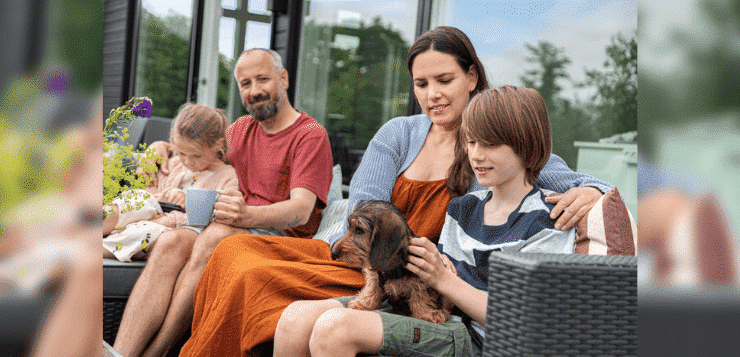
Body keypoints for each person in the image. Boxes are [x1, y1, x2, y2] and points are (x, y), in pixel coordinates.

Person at [180, 26, 612, 356]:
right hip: (364, 257)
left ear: (472, 77)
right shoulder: (399, 133)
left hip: (418, 276)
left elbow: (556, 174)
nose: (433, 95)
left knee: (248, 270)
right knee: (232, 252)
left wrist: (593, 191)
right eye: (421, 85)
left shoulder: (493, 146)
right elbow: (366, 207)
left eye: (444, 80)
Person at [274, 85, 576, 357]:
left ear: (526, 146)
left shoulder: (547, 221)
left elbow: (528, 323)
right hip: (438, 320)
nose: (477, 155)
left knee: (335, 328)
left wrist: (444, 280)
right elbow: (438, 279)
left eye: (491, 144)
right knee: (294, 318)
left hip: (479, 340)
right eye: (470, 143)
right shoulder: (463, 208)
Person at [112, 48, 333, 357]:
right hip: (229, 224)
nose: (254, 91)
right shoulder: (240, 129)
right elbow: (199, 153)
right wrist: (162, 147)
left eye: (262, 79)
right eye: (245, 83)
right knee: (171, 242)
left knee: (214, 236)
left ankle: (157, 353)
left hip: (280, 238)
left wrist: (247, 215)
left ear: (282, 78)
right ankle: (120, 353)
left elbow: (300, 211)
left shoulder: (310, 135)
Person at [102, 103, 239, 262]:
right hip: (148, 215)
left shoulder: (227, 177)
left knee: (149, 229)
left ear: (218, 145)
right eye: (181, 153)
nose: (187, 161)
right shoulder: (174, 164)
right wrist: (167, 195)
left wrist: (180, 209)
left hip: (175, 230)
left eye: (196, 156)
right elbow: (149, 194)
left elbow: (218, 221)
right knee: (137, 200)